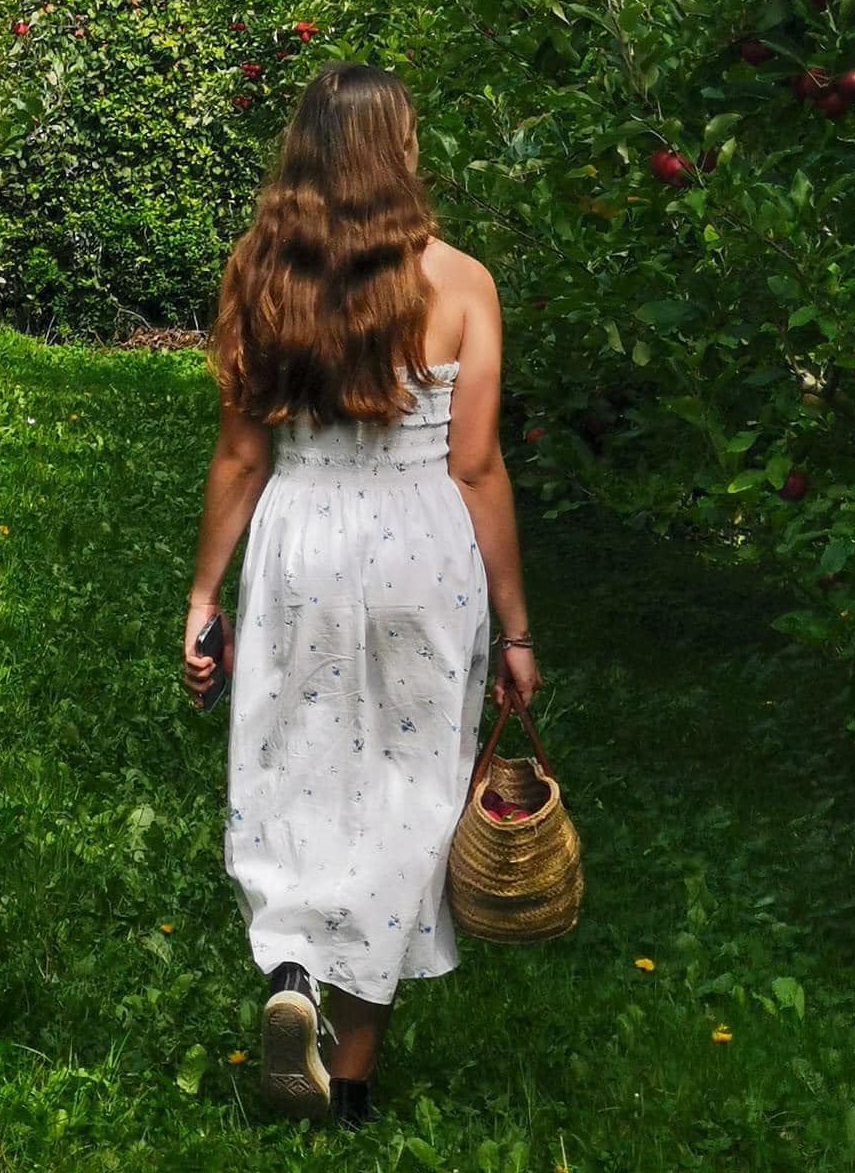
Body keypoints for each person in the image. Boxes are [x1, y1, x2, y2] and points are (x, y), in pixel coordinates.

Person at [183, 61, 542, 1133]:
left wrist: (205, 593)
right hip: (420, 549)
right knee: (407, 788)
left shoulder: (260, 273)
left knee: (291, 759)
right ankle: (352, 1073)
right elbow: (476, 467)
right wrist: (517, 627)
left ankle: (291, 956)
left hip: (301, 537)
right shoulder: (464, 283)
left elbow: (240, 456)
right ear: (400, 151)